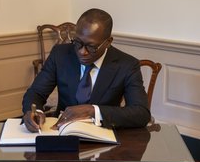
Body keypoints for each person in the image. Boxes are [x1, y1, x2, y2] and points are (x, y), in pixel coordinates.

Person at [22, 8, 150, 133]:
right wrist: (35, 112)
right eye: (77, 43)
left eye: (91, 47)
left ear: (108, 42)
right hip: (63, 132)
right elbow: (36, 92)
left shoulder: (127, 65)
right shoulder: (60, 54)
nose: (82, 51)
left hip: (103, 136)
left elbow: (141, 113)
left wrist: (93, 111)